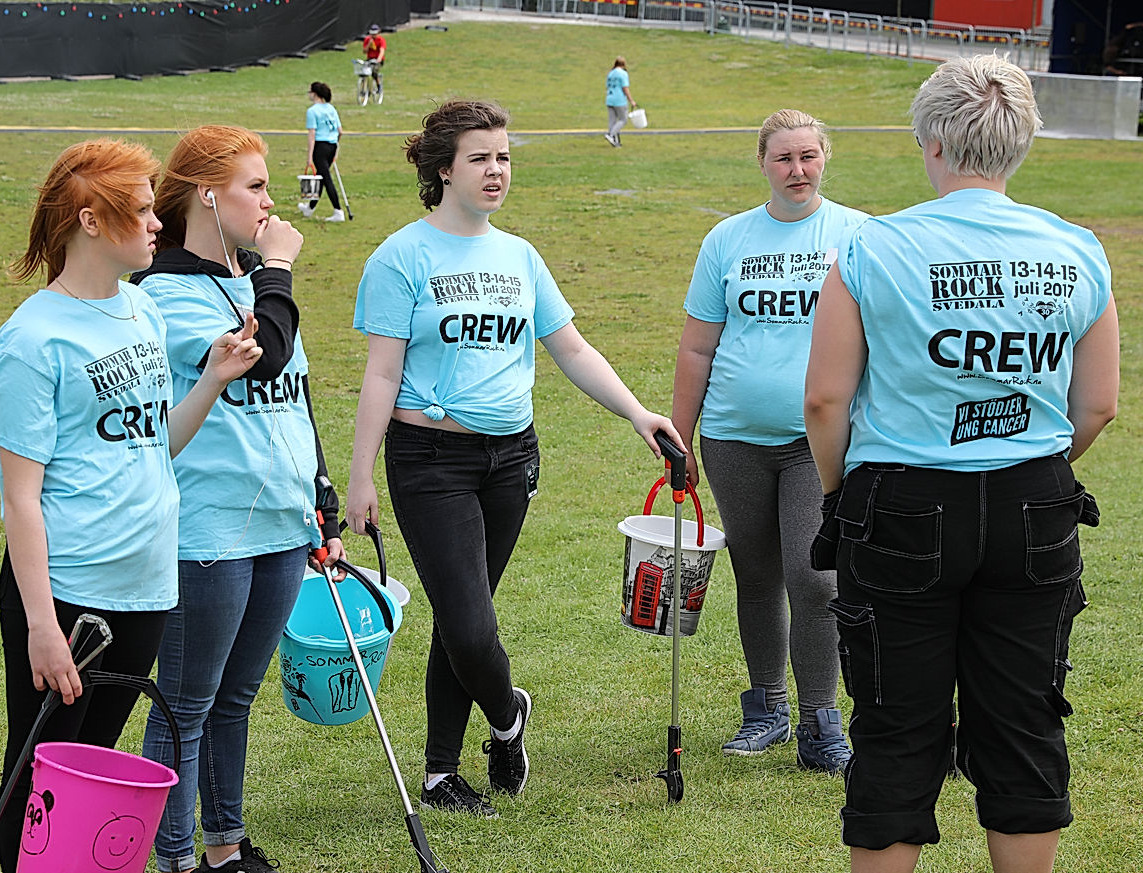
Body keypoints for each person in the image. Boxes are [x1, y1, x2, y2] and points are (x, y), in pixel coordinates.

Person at [804, 54, 1118, 873]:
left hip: (902, 497)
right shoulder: (1077, 250)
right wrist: (1031, 465)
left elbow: (825, 403)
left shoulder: (875, 247)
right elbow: (1097, 407)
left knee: (895, 726)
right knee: (1023, 720)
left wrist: (841, 495)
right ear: (1019, 144)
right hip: (1034, 500)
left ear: (933, 141)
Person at [346, 99, 683, 817]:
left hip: (511, 460)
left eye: (503, 157)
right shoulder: (400, 256)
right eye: (480, 158)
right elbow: (380, 372)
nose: (496, 171)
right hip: (429, 459)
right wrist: (360, 473)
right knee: (469, 622)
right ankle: (507, 716)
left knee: (459, 612)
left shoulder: (520, 255)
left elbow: (571, 348)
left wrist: (637, 412)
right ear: (444, 169)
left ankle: (440, 776)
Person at [0, 138, 262, 872]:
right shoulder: (31, 339)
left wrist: (213, 379)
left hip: (145, 586)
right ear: (90, 221)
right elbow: (21, 498)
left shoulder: (142, 310)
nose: (155, 224)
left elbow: (152, 442)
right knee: (40, 770)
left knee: (92, 765)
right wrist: (44, 625)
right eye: (139, 211)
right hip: (68, 593)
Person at [131, 124, 345, 873]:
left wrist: (323, 500)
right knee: (185, 704)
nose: (269, 202)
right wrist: (278, 268)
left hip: (282, 526)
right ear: (206, 194)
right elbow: (266, 356)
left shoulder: (255, 277)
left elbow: (296, 391)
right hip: (207, 531)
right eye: (255, 186)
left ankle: (224, 845)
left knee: (234, 698)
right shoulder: (162, 292)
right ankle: (177, 856)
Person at [670, 109, 867, 775]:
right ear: (762, 163)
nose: (798, 170)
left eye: (809, 156)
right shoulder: (727, 239)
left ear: (825, 157)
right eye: (784, 158)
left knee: (813, 578)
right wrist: (680, 435)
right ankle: (766, 710)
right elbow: (698, 346)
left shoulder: (857, 234)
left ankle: (821, 721)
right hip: (733, 436)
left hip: (821, 439)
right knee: (755, 573)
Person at [299, 81, 345, 222]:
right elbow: (340, 131)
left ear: (314, 94)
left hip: (320, 148)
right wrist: (336, 149)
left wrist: (309, 156)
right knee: (321, 177)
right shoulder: (331, 108)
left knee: (326, 179)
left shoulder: (312, 111)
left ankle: (338, 211)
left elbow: (312, 135)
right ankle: (310, 208)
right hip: (332, 146)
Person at [604, 55, 637, 148]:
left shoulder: (610, 73)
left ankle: (615, 141)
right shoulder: (623, 73)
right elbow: (625, 88)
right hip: (619, 100)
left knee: (612, 121)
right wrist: (631, 100)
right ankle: (610, 135)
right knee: (623, 119)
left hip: (609, 98)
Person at [363, 23, 386, 96]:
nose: (373, 36)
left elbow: (382, 50)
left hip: (378, 60)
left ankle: (379, 86)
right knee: (364, 72)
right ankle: (365, 89)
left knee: (374, 73)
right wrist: (369, 44)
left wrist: (379, 59)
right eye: (372, 34)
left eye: (375, 34)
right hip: (370, 59)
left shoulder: (381, 40)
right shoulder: (367, 39)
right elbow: (364, 51)